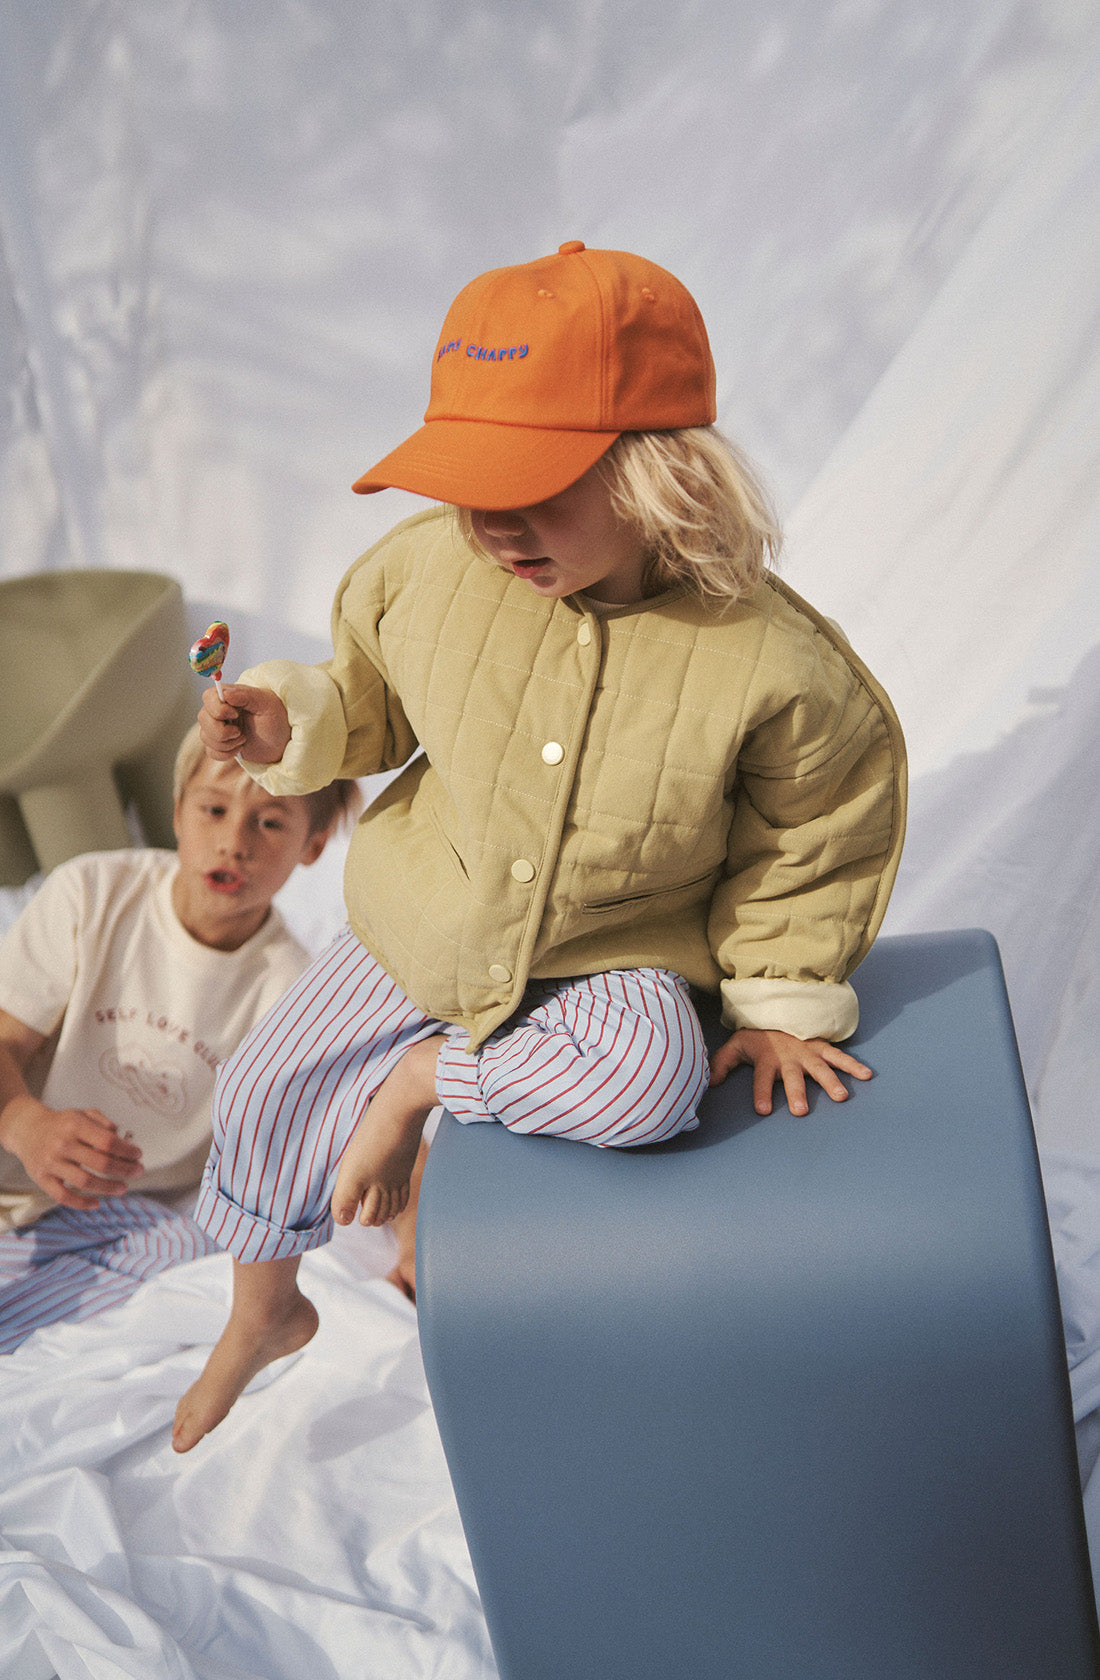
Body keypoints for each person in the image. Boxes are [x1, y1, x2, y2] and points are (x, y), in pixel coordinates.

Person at [172, 240, 907, 1452]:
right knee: (259, 1086)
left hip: (607, 950)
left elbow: (813, 829)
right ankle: (264, 1310)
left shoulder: (771, 662)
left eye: (540, 493)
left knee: (648, 1085)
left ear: (660, 473)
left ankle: (421, 1085)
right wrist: (286, 721)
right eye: (473, 493)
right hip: (430, 913)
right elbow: (367, 693)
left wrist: (776, 996)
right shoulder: (427, 573)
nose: (498, 528)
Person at [0, 725, 359, 1352]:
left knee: (192, 1258)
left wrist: (411, 1240)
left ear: (315, 844)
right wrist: (26, 1124)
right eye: (214, 810)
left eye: (271, 824)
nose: (233, 843)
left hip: (111, 1216)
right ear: (176, 810)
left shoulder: (293, 993)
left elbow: (355, 1129)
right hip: (9, 1159)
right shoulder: (94, 893)